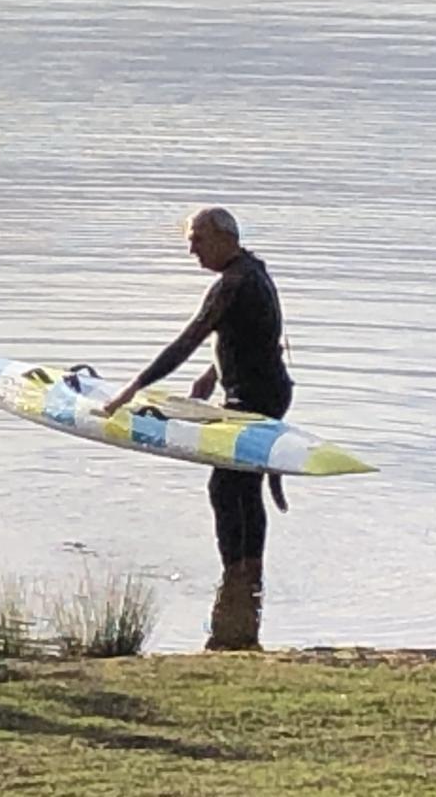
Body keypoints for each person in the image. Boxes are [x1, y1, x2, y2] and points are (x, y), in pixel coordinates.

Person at [97, 206, 292, 650]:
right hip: (266, 390)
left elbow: (187, 339)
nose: (191, 250)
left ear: (225, 238)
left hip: (255, 399)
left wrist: (133, 388)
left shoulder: (234, 284)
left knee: (227, 489)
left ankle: (239, 572)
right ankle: (244, 592)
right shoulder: (253, 270)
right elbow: (249, 334)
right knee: (241, 487)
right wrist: (215, 371)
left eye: (197, 240)